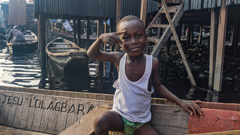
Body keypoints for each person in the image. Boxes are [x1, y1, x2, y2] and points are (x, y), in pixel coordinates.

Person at [87, 15, 203, 135]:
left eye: (138, 36)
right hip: (119, 116)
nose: (133, 41)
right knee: (100, 121)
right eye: (126, 38)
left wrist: (181, 102)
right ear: (120, 42)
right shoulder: (118, 58)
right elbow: (92, 54)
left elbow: (158, 87)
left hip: (140, 123)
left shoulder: (152, 63)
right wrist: (100, 39)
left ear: (145, 37)